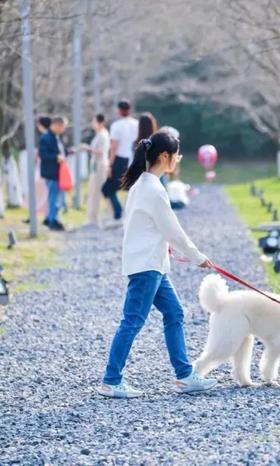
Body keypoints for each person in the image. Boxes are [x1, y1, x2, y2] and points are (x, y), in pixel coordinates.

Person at [97, 130, 217, 398]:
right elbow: (173, 231)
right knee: (132, 321)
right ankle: (111, 380)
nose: (178, 161)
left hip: (153, 265)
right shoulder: (152, 189)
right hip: (146, 267)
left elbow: (150, 228)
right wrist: (198, 257)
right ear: (165, 156)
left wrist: (172, 251)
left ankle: (185, 376)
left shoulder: (144, 184)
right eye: (177, 156)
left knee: (174, 313)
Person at [102, 101, 138, 221]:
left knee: (109, 188)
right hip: (134, 158)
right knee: (132, 187)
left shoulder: (116, 125)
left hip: (120, 159)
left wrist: (110, 163)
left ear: (119, 110)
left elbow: (114, 146)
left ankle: (118, 211)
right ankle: (130, 212)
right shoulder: (136, 124)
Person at [38, 116, 68, 231]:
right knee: (53, 197)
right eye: (62, 127)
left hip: (58, 172)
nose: (63, 130)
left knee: (56, 196)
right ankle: (52, 220)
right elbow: (43, 154)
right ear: (56, 125)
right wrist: (56, 157)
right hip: (51, 172)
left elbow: (61, 150)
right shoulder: (46, 138)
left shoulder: (56, 137)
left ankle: (51, 218)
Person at [81, 114, 110, 227]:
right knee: (93, 191)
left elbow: (101, 152)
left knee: (96, 192)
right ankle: (92, 218)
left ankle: (94, 219)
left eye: (94, 121)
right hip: (96, 165)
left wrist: (87, 148)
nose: (92, 124)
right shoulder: (100, 134)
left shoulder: (103, 135)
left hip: (100, 165)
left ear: (100, 122)